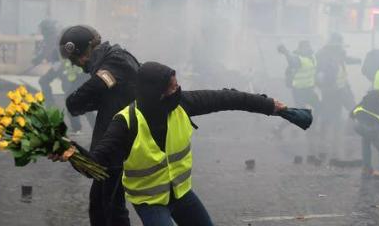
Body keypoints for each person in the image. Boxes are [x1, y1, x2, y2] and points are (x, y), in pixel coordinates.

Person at [58, 62, 293, 226]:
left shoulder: (183, 103)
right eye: (170, 87)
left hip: (182, 195)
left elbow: (226, 98)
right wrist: (70, 151)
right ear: (154, 91)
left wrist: (269, 105)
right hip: (151, 202)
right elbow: (97, 163)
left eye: (176, 84)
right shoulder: (125, 122)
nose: (177, 90)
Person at [59, 24, 141, 226]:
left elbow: (92, 90)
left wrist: (72, 103)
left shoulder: (115, 62)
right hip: (114, 145)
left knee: (108, 209)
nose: (78, 65)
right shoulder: (111, 61)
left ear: (85, 51)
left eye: (76, 59)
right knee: (106, 207)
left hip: (117, 147)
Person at [35, 19, 93, 133]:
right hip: (69, 74)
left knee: (76, 100)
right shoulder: (54, 40)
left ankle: (83, 128)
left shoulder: (61, 40)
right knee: (74, 100)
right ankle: (79, 127)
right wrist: (38, 59)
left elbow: (62, 57)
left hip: (75, 74)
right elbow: (52, 54)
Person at [315, 33, 361, 158]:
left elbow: (346, 59)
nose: (339, 48)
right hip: (330, 90)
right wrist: (323, 82)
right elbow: (319, 72)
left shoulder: (339, 52)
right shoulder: (322, 54)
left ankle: (344, 134)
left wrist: (358, 60)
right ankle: (324, 139)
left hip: (343, 88)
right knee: (330, 114)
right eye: (337, 45)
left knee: (352, 109)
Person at [275, 41, 321, 163]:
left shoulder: (312, 57)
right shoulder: (297, 58)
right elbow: (291, 60)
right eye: (305, 47)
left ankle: (312, 126)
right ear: (300, 49)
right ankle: (279, 128)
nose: (308, 49)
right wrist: (285, 52)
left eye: (308, 47)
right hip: (299, 90)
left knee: (319, 106)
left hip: (309, 90)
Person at [351, 90, 379, 175]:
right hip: (373, 128)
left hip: (358, 126)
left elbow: (352, 113)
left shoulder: (366, 99)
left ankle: (366, 168)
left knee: (366, 141)